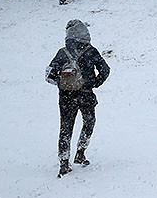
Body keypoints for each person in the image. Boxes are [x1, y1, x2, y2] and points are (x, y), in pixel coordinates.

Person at [45, 19, 111, 178]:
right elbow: (105, 70)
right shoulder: (91, 51)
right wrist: (94, 83)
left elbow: (49, 75)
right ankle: (80, 153)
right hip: (86, 94)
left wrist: (65, 84)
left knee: (65, 128)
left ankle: (63, 163)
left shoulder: (62, 52)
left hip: (66, 97)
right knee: (89, 121)